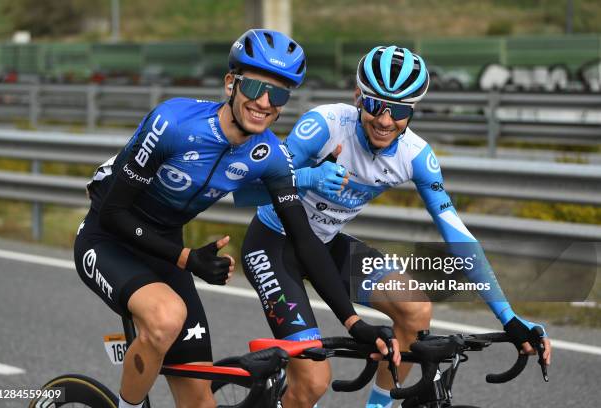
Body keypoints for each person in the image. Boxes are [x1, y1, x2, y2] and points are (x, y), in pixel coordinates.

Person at [73, 30, 397, 408]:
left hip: (168, 251)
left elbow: (305, 241)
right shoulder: (174, 123)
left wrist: (353, 323)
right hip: (106, 238)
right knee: (166, 317)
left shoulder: (270, 155)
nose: (264, 102)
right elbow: (113, 213)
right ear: (231, 83)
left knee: (198, 399)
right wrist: (185, 258)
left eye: (277, 94)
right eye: (256, 87)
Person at [240, 45, 552, 408]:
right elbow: (249, 192)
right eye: (375, 105)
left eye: (399, 110)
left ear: (412, 110)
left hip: (325, 243)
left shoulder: (417, 157)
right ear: (358, 97)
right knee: (312, 382)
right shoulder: (324, 124)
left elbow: (459, 238)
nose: (385, 121)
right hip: (274, 243)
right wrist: (309, 177)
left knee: (415, 310)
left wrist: (508, 317)